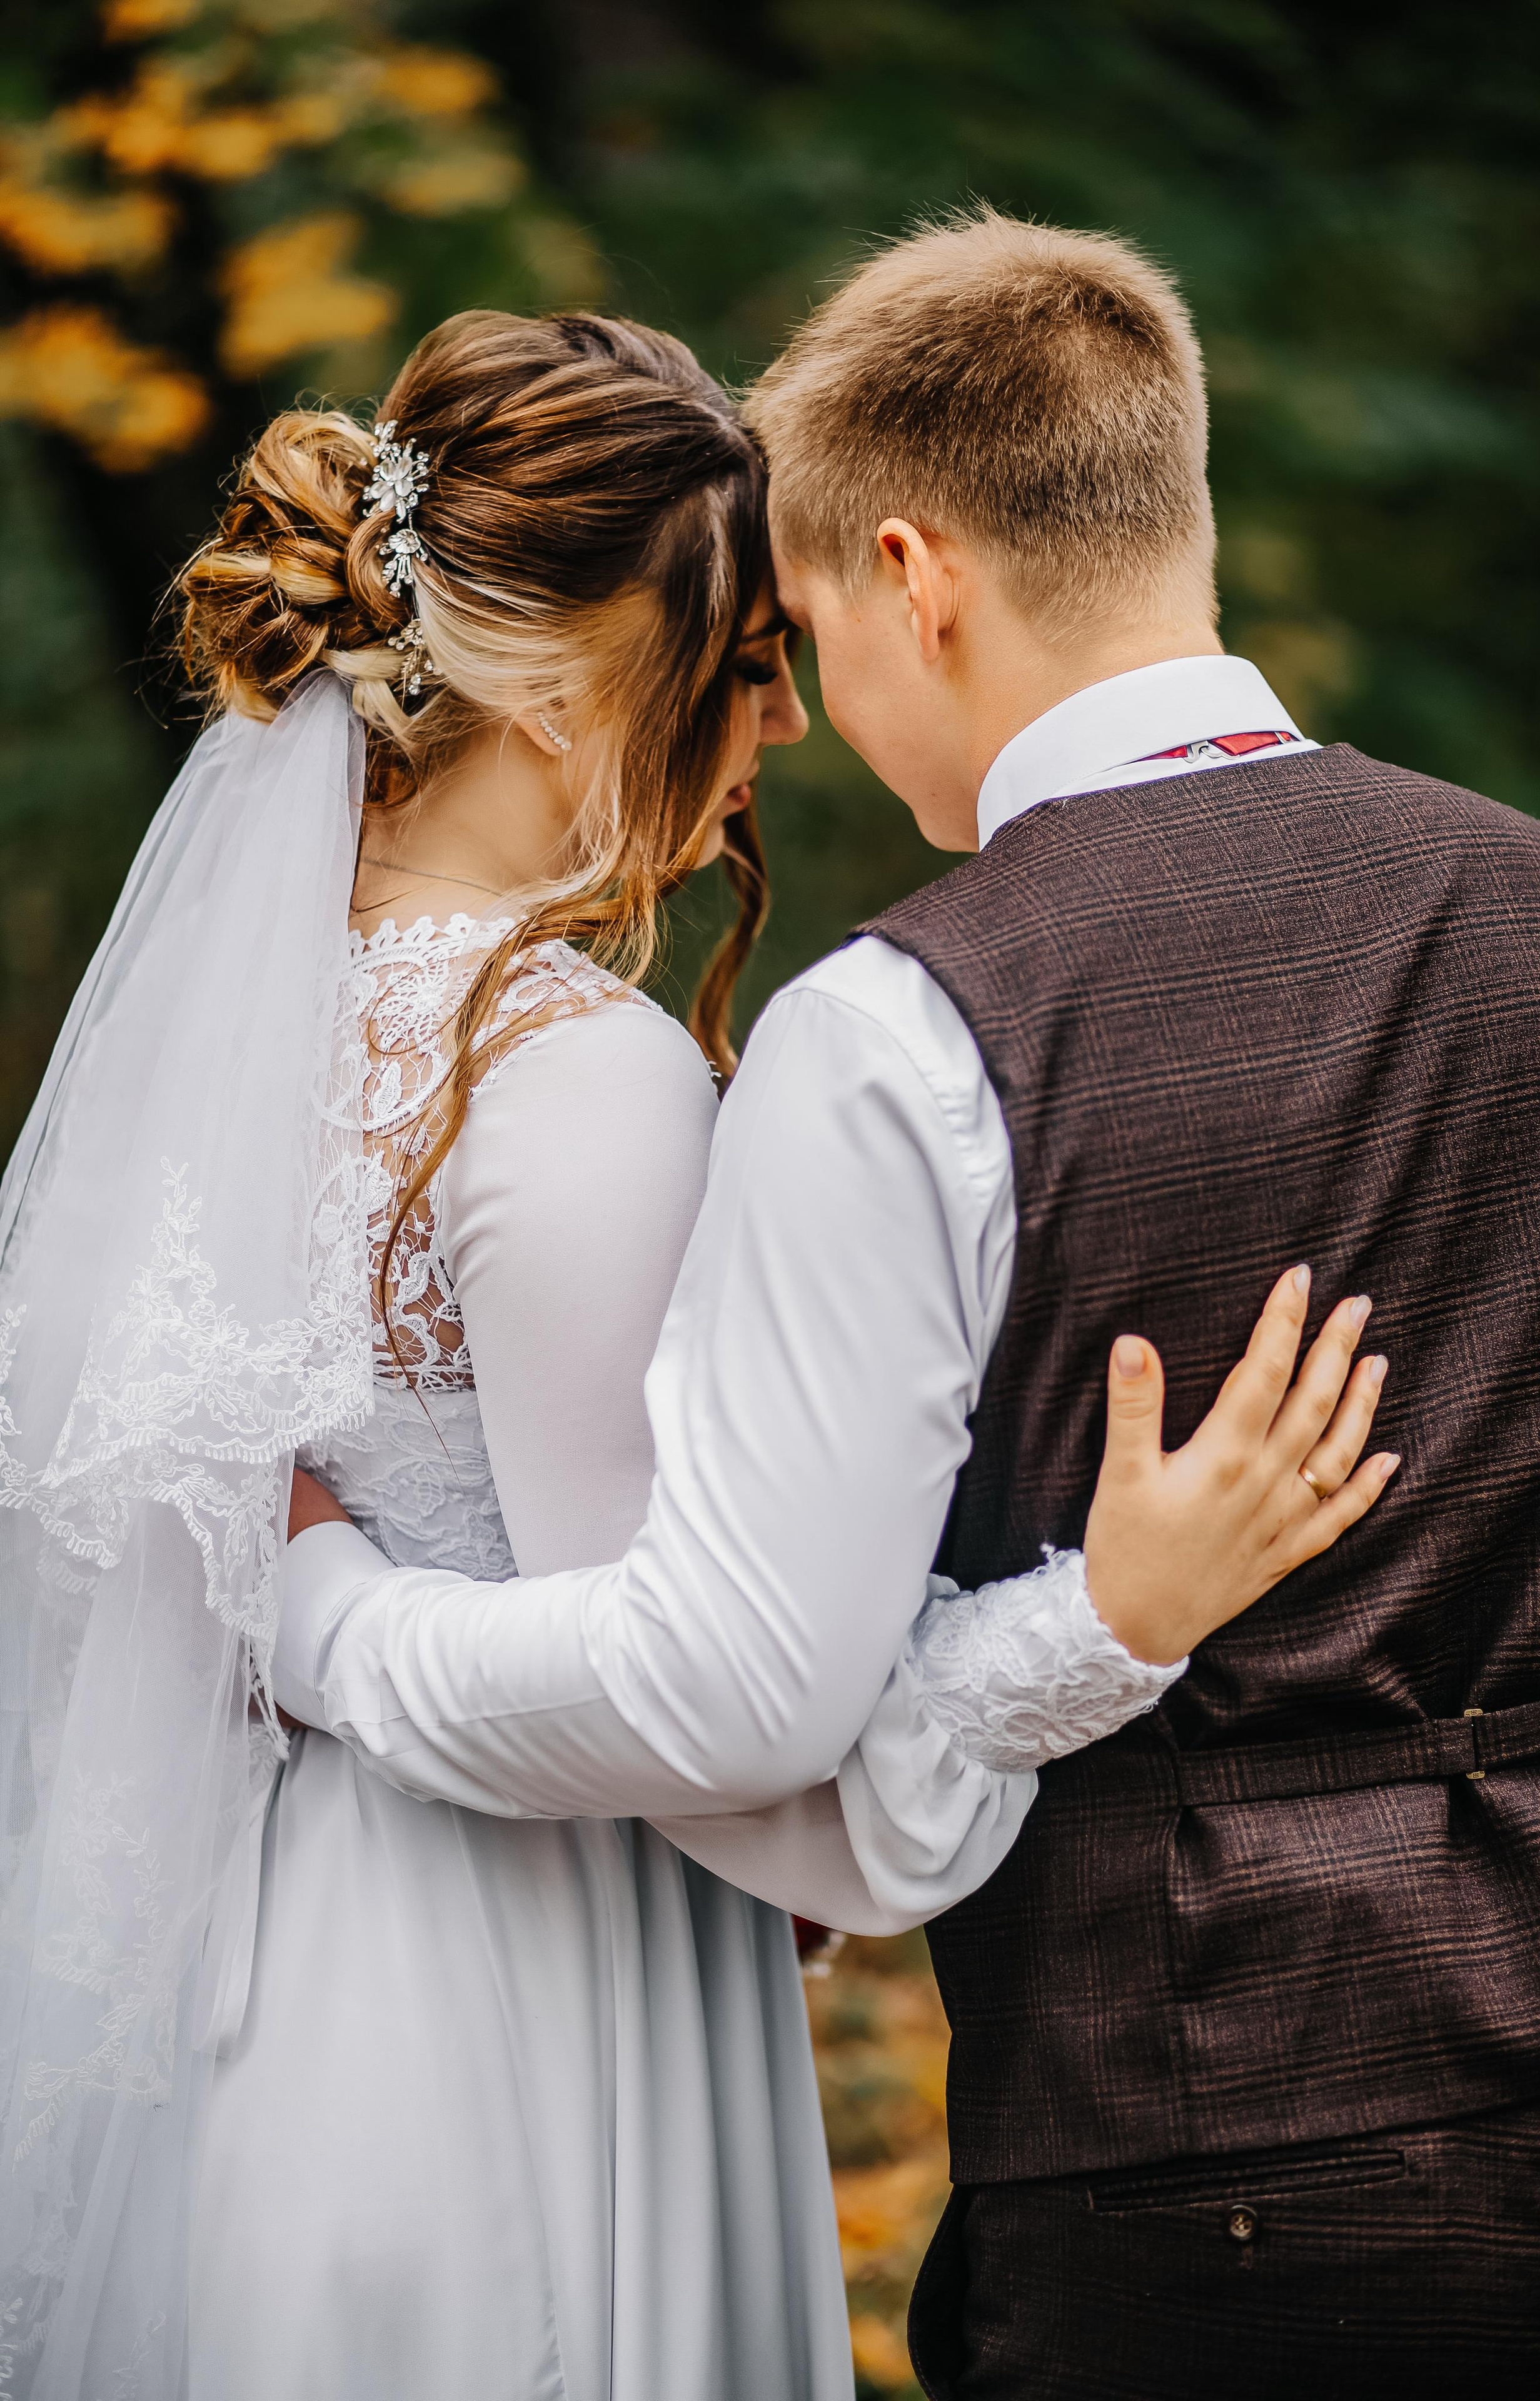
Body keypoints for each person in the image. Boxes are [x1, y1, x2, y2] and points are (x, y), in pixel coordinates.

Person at [0, 305, 1384, 2401]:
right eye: (742, 666)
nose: (788, 728)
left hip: (235, 1994)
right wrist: (1092, 1625)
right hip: (519, 2007)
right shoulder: (566, 1076)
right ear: (566, 692)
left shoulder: (226, 1034)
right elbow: (716, 1718)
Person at [278, 209, 1540, 2397]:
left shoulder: (903, 1030)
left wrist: (315, 1624)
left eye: (794, 627)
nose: (782, 710)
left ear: (914, 575)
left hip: (1189, 2177)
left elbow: (733, 1688)